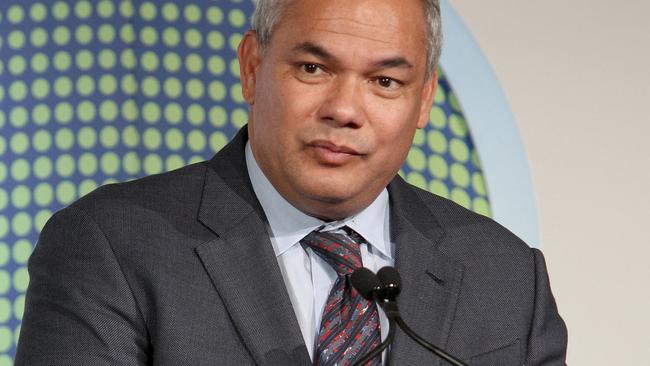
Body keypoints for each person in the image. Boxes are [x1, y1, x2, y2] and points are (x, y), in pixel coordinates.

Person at [15, 0, 567, 365]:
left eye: (385, 80)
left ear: (423, 101)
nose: (345, 109)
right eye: (313, 68)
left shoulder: (507, 278)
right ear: (252, 67)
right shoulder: (113, 244)